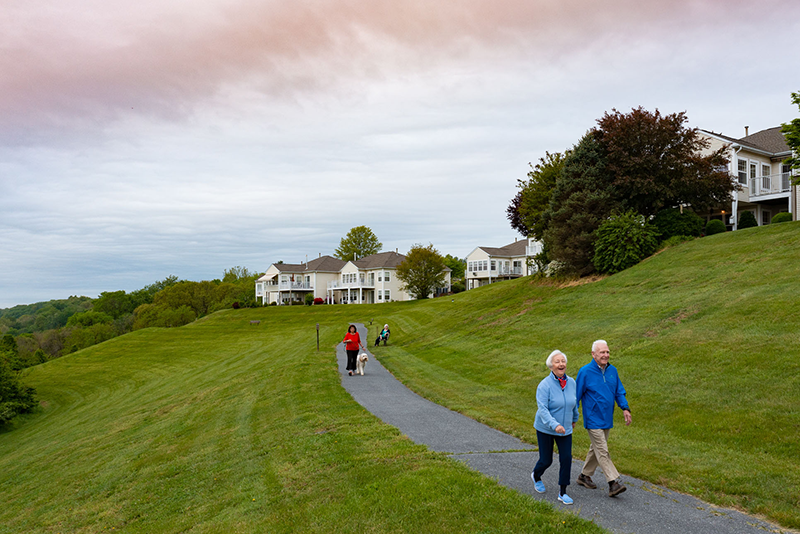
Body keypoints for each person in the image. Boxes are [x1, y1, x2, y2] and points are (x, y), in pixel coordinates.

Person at [575, 339, 632, 497]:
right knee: (602, 450)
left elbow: (619, 391)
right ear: (593, 354)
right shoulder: (585, 372)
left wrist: (625, 408)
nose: (606, 355)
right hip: (592, 418)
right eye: (602, 352)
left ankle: (584, 476)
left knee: (597, 449)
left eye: (607, 352)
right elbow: (576, 396)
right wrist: (572, 415)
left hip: (607, 417)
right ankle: (613, 483)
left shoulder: (612, 371)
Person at [531, 350, 579, 505]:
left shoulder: (571, 382)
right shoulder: (544, 385)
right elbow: (543, 410)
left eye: (563, 361)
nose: (561, 364)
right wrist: (555, 425)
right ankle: (536, 476)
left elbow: (573, 402)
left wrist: (575, 418)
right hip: (545, 428)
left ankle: (562, 492)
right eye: (557, 362)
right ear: (551, 366)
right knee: (546, 460)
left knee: (566, 458)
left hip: (565, 428)